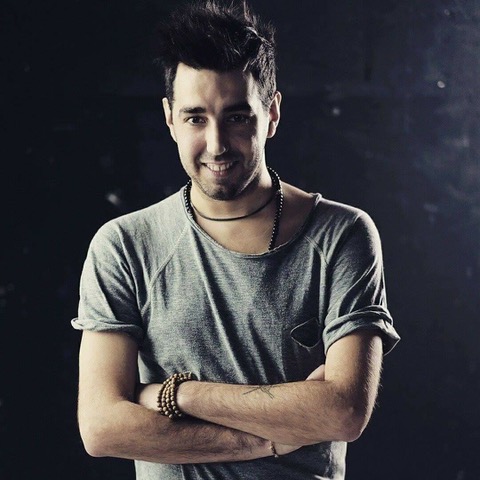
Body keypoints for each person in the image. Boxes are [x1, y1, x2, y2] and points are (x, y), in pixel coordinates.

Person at [72, 1, 400, 479]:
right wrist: (271, 439)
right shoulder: (124, 246)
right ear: (169, 118)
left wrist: (178, 394)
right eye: (195, 118)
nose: (217, 144)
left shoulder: (341, 235)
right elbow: (103, 427)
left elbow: (345, 411)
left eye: (238, 117)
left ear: (272, 113)